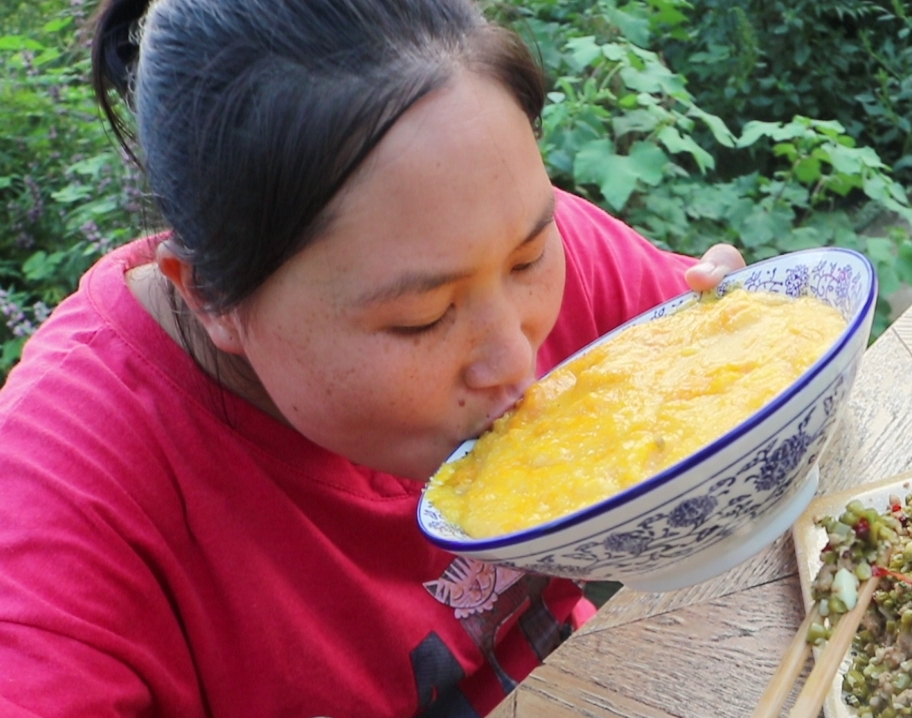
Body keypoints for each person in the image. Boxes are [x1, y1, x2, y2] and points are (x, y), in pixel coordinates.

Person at [0, 0, 743, 715]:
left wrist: (740, 338)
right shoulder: (58, 503)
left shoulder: (484, 238)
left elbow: (726, 372)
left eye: (527, 260)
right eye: (422, 319)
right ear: (211, 299)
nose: (515, 363)